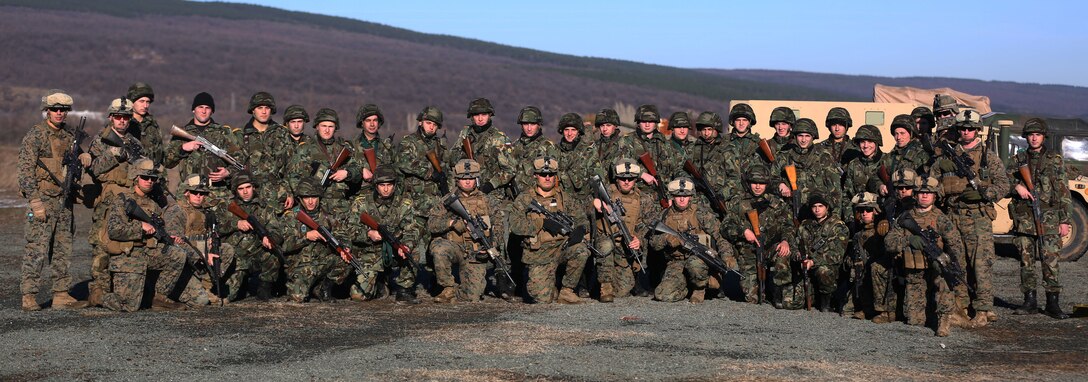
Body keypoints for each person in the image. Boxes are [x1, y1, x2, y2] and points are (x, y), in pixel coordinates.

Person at [928, 109, 1009, 327]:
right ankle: (960, 307)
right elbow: (932, 184)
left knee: (981, 264)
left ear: (977, 131)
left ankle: (983, 310)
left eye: (970, 129)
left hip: (978, 216)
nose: (966, 132)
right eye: (962, 129)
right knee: (957, 263)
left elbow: (1003, 184)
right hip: (953, 215)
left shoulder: (987, 157)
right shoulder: (946, 157)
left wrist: (985, 193)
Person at [18, 89, 90, 311]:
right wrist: (35, 202)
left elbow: (72, 162)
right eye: (55, 109)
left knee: (63, 250)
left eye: (63, 110)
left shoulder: (69, 136)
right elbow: (25, 172)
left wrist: (83, 156)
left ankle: (61, 294)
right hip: (43, 201)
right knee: (36, 250)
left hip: (64, 200)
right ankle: (29, 296)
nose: (59, 113)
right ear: (47, 111)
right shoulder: (35, 135)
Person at [99, 159, 187, 312]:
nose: (149, 181)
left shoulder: (153, 204)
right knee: (128, 306)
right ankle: (99, 296)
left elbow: (158, 229)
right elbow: (114, 230)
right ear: (136, 178)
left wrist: (168, 237)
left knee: (177, 254)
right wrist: (140, 226)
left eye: (152, 178)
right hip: (128, 255)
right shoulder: (122, 199)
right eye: (145, 177)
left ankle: (159, 298)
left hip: (147, 252)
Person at [884, 175, 963, 337]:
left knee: (945, 277)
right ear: (915, 195)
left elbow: (956, 245)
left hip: (936, 268)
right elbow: (889, 242)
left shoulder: (940, 218)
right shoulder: (906, 217)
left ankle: (944, 319)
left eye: (929, 193)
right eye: (921, 192)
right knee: (915, 321)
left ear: (935, 196)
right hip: (915, 271)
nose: (924, 196)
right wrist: (909, 240)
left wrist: (946, 260)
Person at [1008, 118, 1072, 319]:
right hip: (1025, 219)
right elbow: (1003, 179)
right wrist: (1016, 187)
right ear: (1026, 137)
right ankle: (1030, 301)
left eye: (1037, 134)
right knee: (1026, 262)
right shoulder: (1018, 160)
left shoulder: (1055, 159)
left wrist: (1065, 220)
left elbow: (1063, 191)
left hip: (1050, 218)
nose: (1034, 138)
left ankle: (1053, 303)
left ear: (1044, 136)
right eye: (1030, 134)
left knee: (1050, 261)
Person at [510, 156, 591, 304]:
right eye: (543, 174)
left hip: (561, 248)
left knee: (581, 250)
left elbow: (582, 219)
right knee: (542, 299)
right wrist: (542, 222)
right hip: (538, 253)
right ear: (536, 176)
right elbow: (515, 225)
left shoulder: (564, 197)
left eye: (551, 174)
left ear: (555, 176)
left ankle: (567, 290)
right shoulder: (525, 199)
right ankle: (550, 285)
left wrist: (581, 229)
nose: (547, 178)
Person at [86, 97, 143, 307]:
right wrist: (114, 154)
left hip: (128, 198)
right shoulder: (101, 140)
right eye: (118, 117)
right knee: (102, 245)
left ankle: (121, 289)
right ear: (111, 117)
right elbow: (94, 169)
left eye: (126, 117)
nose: (122, 121)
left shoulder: (135, 144)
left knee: (126, 243)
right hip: (107, 199)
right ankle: (98, 291)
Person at [428, 159, 507, 303]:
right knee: (439, 249)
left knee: (472, 297)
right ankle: (448, 287)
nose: (468, 182)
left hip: (476, 251)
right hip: (455, 246)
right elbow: (432, 224)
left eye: (471, 178)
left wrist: (491, 245)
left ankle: (459, 290)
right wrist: (451, 223)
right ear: (457, 180)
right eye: (464, 178)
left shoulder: (488, 200)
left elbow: (499, 226)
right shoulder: (447, 200)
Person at [346, 166, 422, 303]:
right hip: (369, 252)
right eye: (382, 185)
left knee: (413, 253)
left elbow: (412, 229)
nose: (386, 189)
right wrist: (368, 233)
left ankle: (404, 289)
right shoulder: (361, 203)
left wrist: (406, 245)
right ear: (376, 186)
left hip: (394, 250)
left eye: (389, 185)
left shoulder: (404, 203)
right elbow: (350, 229)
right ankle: (379, 283)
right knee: (358, 296)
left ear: (394, 185)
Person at [648, 177, 729, 303]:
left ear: (691, 196)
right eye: (678, 196)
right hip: (676, 262)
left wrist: (727, 256)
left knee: (694, 264)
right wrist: (666, 239)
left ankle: (699, 288)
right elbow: (653, 242)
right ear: (672, 196)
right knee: (662, 295)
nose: (682, 199)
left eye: (685, 196)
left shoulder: (701, 213)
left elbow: (720, 237)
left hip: (699, 259)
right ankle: (686, 287)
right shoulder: (664, 215)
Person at [724, 164, 793, 304]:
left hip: (770, 247)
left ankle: (778, 293)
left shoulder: (776, 202)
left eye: (761, 183)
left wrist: (785, 241)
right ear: (748, 183)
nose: (757, 187)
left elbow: (788, 226)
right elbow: (725, 226)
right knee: (752, 298)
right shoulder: (738, 202)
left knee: (782, 257)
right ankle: (762, 290)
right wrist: (743, 231)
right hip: (749, 252)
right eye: (754, 183)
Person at [590, 158, 657, 301]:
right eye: (622, 178)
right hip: (606, 240)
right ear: (617, 178)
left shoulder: (644, 199)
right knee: (605, 245)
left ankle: (599, 282)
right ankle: (605, 287)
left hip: (625, 247)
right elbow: (582, 209)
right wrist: (594, 203)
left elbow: (650, 226)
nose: (626, 182)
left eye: (630, 178)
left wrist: (639, 239)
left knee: (622, 290)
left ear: (636, 180)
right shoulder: (606, 191)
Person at [163, 174, 233, 307]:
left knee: (226, 249)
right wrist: (204, 255)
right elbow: (175, 243)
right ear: (186, 193)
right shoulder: (176, 211)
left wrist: (211, 243)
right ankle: (172, 292)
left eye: (202, 193)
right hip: (182, 264)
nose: (199, 196)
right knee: (201, 301)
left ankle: (207, 285)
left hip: (199, 262)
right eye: (195, 192)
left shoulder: (205, 213)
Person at [280, 178, 352, 303]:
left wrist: (345, 247)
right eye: (307, 198)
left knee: (348, 259)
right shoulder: (291, 216)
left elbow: (342, 233)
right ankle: (305, 286)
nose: (311, 201)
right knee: (297, 297)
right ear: (300, 199)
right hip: (301, 265)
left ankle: (324, 288)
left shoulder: (327, 215)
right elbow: (284, 246)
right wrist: (306, 236)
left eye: (314, 197)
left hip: (323, 261)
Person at [164, 92, 245, 202]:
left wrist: (227, 172)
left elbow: (239, 161)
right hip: (189, 194)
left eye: (207, 108)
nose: (203, 111)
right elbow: (167, 162)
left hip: (217, 196)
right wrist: (183, 148)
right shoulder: (183, 133)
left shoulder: (223, 133)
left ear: (212, 111)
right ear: (193, 109)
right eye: (200, 107)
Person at [220, 173, 283, 301]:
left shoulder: (265, 207)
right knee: (228, 297)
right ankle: (241, 287)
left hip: (258, 252)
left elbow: (276, 230)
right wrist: (235, 224)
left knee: (274, 255)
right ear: (235, 191)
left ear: (253, 187)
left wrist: (269, 238)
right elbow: (217, 227)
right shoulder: (227, 206)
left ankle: (264, 288)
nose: (245, 192)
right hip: (235, 257)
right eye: (241, 189)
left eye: (248, 187)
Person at [287, 108, 360, 211]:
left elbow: (357, 169)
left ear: (335, 128)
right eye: (324, 126)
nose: (327, 130)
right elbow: (294, 177)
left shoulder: (343, 148)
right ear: (317, 127)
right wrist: (306, 197)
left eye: (331, 127)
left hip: (341, 207)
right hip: (314, 207)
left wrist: (347, 173)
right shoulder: (305, 149)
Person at [773, 118, 841, 222]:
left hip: (817, 213)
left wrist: (835, 215)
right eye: (800, 136)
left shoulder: (824, 156)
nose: (803, 140)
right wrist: (780, 185)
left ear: (813, 137)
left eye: (807, 136)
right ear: (795, 136)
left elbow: (835, 189)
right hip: (790, 211)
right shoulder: (784, 156)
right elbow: (771, 179)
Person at [239, 92, 292, 208]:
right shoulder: (242, 136)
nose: (263, 112)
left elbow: (291, 165)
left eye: (267, 108)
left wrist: (290, 192)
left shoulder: (282, 133)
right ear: (253, 110)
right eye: (259, 108)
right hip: (251, 198)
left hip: (278, 196)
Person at [796, 194, 849, 312]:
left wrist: (813, 261)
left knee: (823, 271)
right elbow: (796, 244)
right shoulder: (805, 225)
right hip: (806, 268)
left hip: (829, 268)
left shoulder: (837, 227)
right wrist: (799, 256)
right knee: (793, 303)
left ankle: (827, 303)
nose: (817, 209)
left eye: (820, 206)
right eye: (814, 206)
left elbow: (836, 255)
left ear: (827, 207)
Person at [458, 98, 517, 199]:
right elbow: (451, 159)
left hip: (492, 194)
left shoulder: (498, 139)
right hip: (466, 191)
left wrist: (490, 185)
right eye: (476, 115)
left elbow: (510, 170)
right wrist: (462, 155)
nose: (480, 119)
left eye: (484, 115)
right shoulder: (465, 134)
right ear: (471, 117)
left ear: (490, 115)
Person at [510, 106, 557, 195]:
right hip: (514, 198)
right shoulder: (514, 146)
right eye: (525, 124)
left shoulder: (548, 147)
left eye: (532, 124)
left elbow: (554, 178)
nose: (529, 128)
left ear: (539, 125)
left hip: (537, 198)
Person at [352, 103, 396, 194]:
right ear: (362, 123)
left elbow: (398, 172)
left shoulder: (387, 147)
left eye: (375, 120)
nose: (372, 124)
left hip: (384, 197)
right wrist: (361, 170)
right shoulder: (352, 146)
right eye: (368, 120)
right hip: (358, 198)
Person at [125, 82, 164, 165]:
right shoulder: (123, 124)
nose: (145, 105)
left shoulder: (153, 125)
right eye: (141, 101)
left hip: (153, 175)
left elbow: (160, 157)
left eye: (148, 102)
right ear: (132, 102)